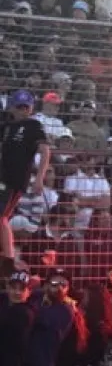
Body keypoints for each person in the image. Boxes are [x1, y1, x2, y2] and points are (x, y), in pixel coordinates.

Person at [1, 91, 50, 261]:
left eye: (26, 107)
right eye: (19, 106)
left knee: (2, 216)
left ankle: (9, 258)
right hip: (2, 176)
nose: (22, 110)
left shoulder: (33, 125)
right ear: (11, 107)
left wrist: (39, 178)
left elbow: (45, 151)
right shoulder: (6, 127)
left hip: (15, 179)